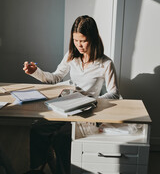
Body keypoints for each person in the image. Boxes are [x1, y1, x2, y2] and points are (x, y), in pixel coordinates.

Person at [23, 15, 120, 174]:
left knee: (62, 139)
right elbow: (54, 78)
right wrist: (36, 72)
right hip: (65, 105)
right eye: (76, 40)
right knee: (37, 129)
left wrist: (92, 101)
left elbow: (114, 93)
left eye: (83, 40)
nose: (79, 45)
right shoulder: (71, 56)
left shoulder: (105, 63)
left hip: (87, 111)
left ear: (93, 39)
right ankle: (36, 169)